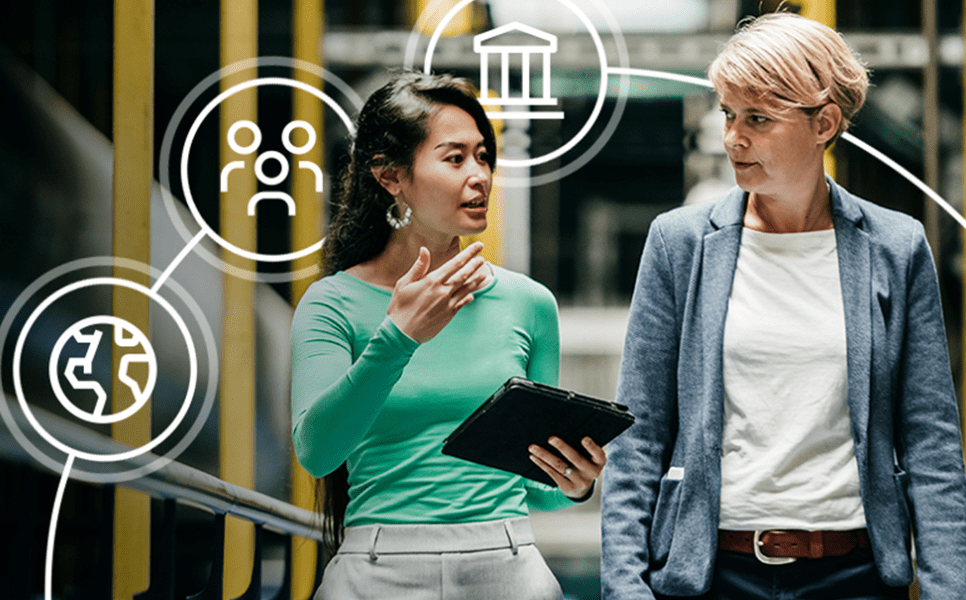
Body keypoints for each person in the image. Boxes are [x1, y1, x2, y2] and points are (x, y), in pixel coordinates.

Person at [601, 12, 966, 600]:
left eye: (758, 119)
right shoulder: (680, 242)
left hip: (855, 574)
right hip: (713, 572)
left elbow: (931, 442)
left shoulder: (896, 247)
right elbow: (638, 437)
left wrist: (951, 589)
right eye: (728, 114)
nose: (732, 138)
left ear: (823, 123)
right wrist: (625, 587)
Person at [290, 71, 606, 600]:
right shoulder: (332, 304)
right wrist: (398, 338)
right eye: (455, 158)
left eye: (483, 156)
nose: (480, 175)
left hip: (507, 564)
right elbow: (318, 452)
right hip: (376, 568)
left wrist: (573, 482)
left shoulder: (528, 303)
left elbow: (539, 494)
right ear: (390, 176)